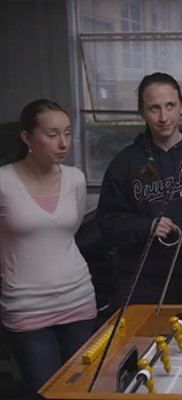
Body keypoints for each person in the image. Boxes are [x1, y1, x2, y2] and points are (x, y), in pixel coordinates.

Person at [96, 72, 182, 306]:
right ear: (142, 112)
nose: (164, 117)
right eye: (154, 108)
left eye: (170, 106)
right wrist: (147, 227)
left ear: (181, 106)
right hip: (144, 285)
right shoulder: (125, 164)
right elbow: (108, 222)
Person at [0, 99, 97, 396]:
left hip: (78, 299)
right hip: (26, 307)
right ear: (27, 137)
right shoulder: (3, 182)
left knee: (81, 389)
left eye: (67, 133)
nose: (63, 143)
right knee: (44, 391)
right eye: (52, 134)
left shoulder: (75, 179)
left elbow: (68, 232)